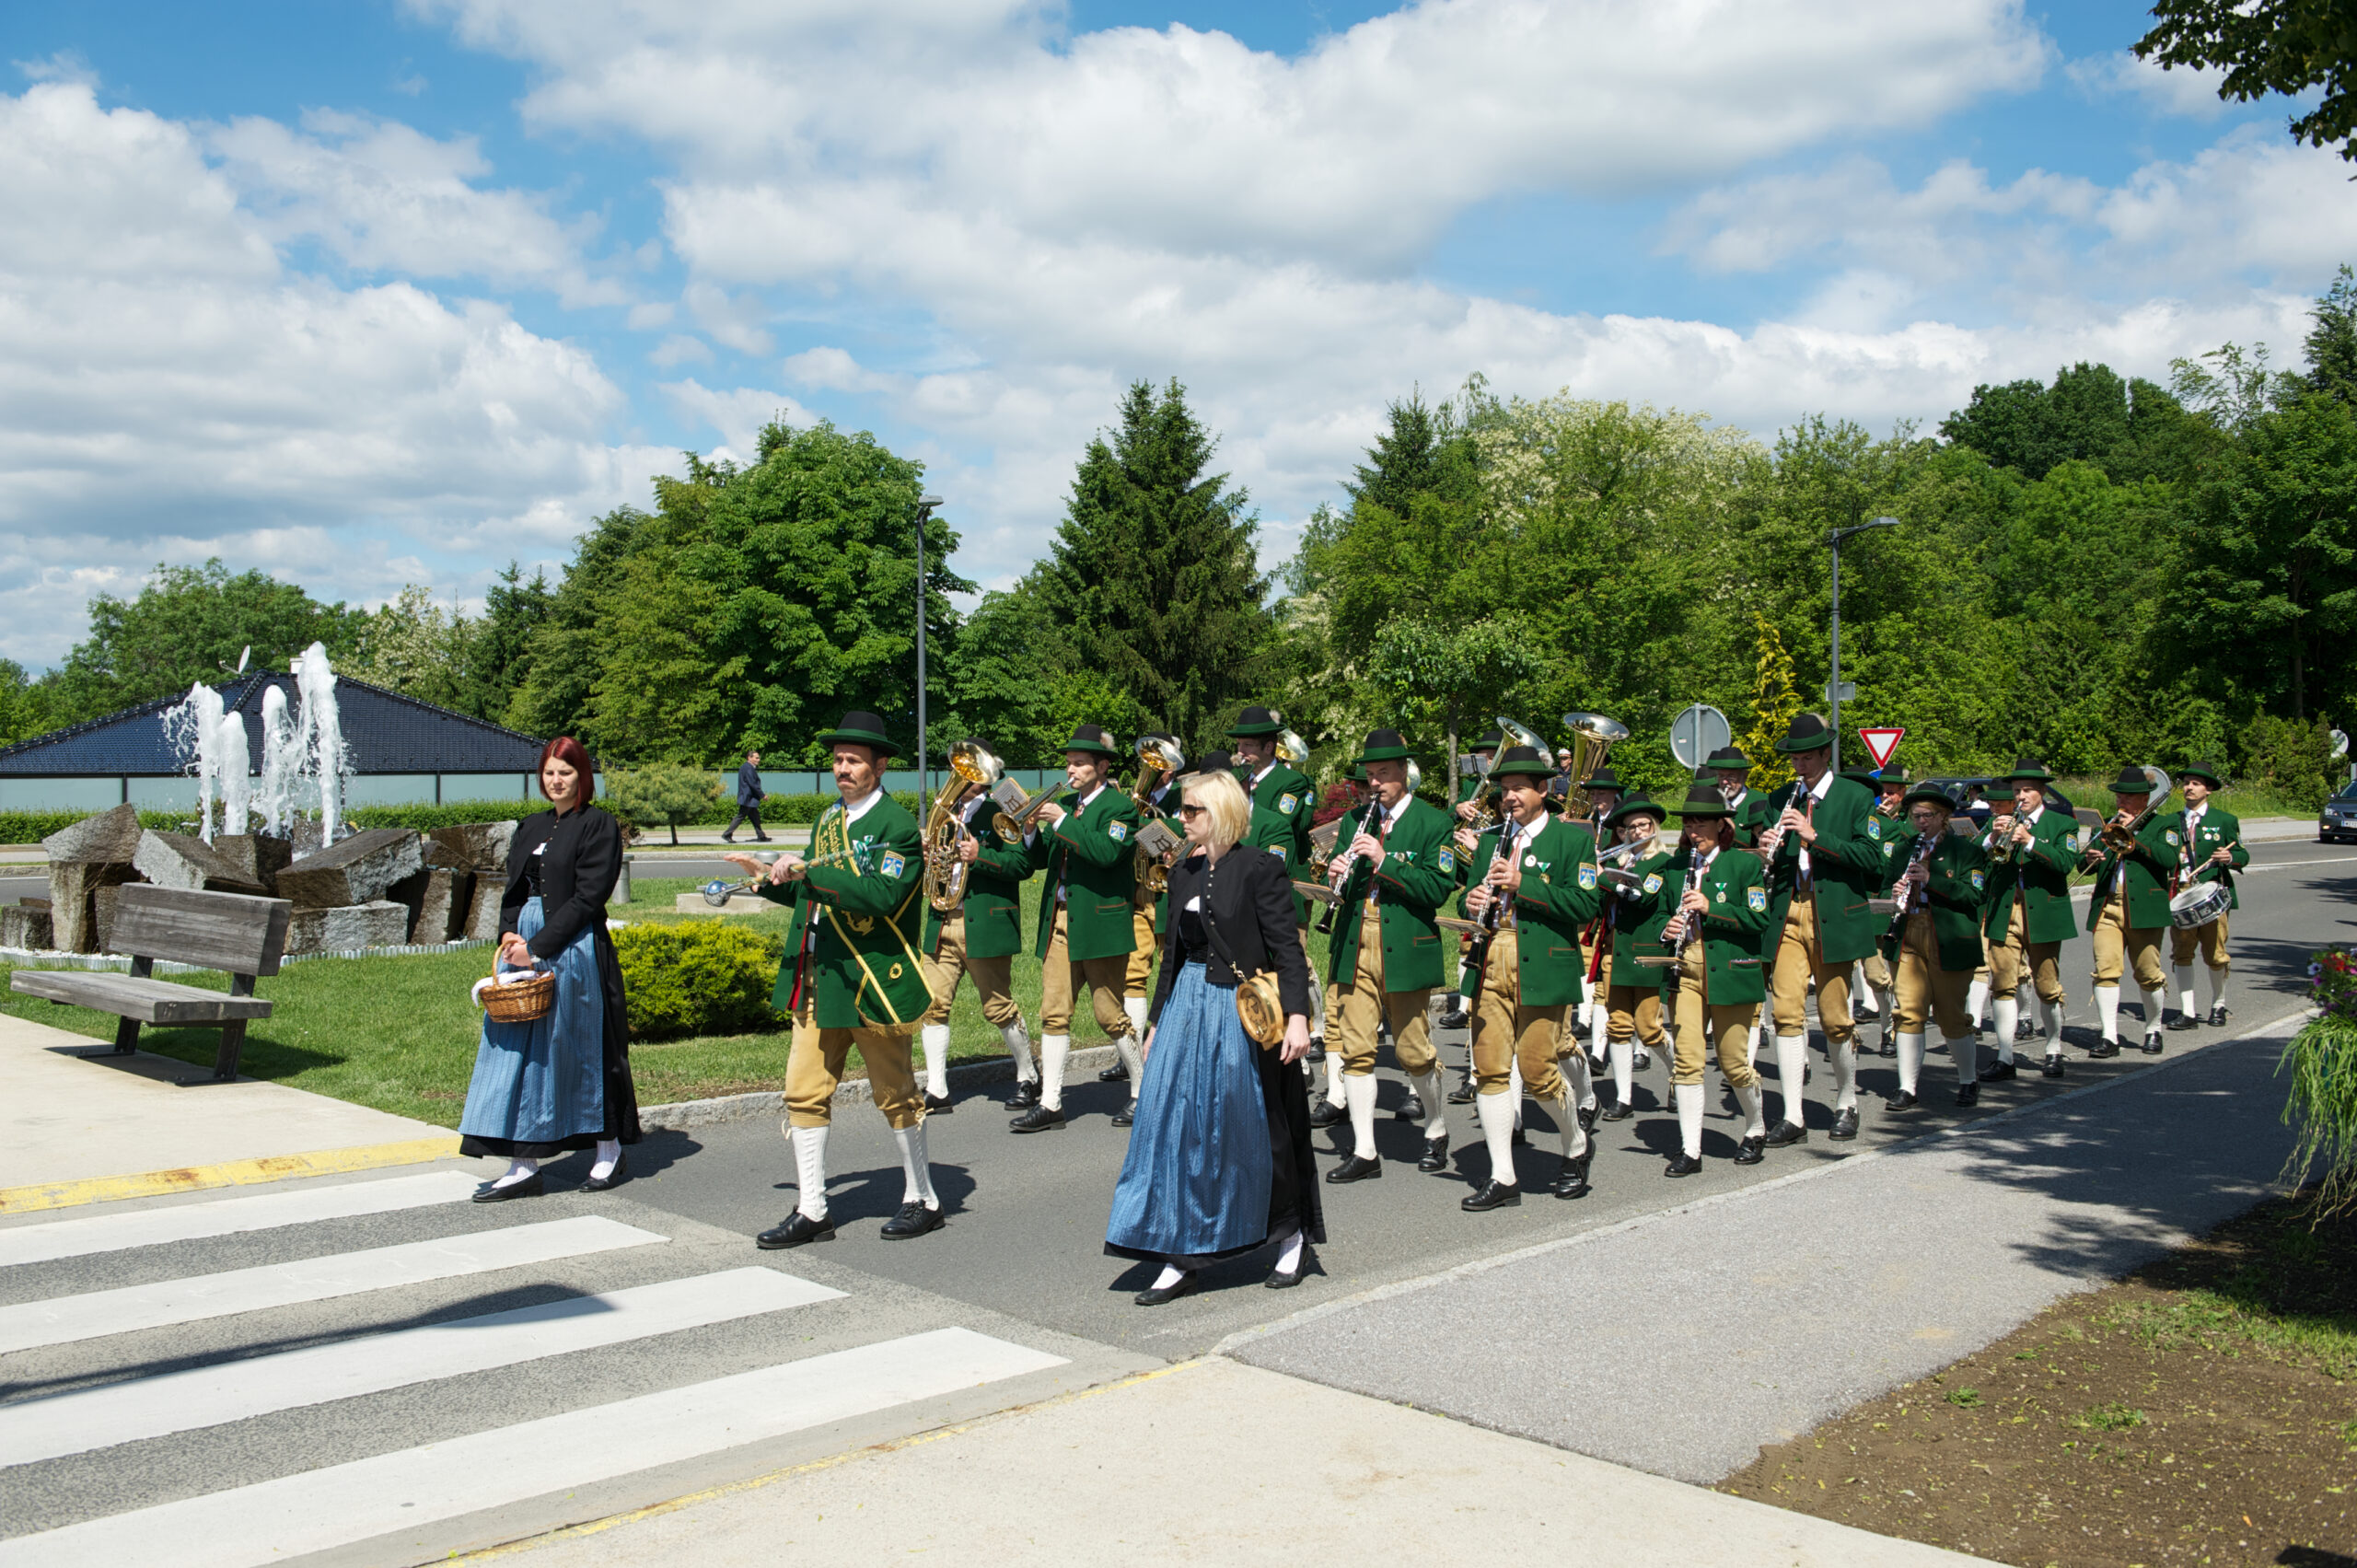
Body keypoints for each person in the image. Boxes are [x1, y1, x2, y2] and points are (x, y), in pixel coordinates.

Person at [1107, 767, 1320, 1303]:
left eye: (1191, 810)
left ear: (1221, 812)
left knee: (1253, 1127)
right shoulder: (1182, 870)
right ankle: (1180, 1255)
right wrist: (1156, 1023)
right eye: (1182, 809)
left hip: (1241, 1014)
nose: (1181, 818)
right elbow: (1171, 959)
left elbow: (1287, 950)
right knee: (1172, 1128)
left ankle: (1288, 1234)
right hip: (1185, 1011)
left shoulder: (1260, 868)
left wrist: (1298, 1018)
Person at [737, 713, 944, 1247]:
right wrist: (765, 881)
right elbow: (812, 889)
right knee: (804, 1092)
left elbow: (880, 898)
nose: (843, 768)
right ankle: (813, 1210)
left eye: (854, 760)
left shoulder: (897, 826)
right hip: (822, 974)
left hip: (872, 978)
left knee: (895, 1093)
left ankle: (923, 1197)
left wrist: (810, 872)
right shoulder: (827, 820)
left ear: (880, 765)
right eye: (837, 759)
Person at [461, 737, 643, 1200]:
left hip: (574, 948)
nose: (556, 781)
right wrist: (508, 933)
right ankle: (523, 1166)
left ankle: (608, 1150)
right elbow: (515, 888)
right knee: (518, 1054)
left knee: (582, 1048)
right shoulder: (533, 824)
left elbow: (588, 897)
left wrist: (538, 947)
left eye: (565, 772)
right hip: (523, 944)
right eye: (549, 773)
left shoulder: (599, 825)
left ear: (582, 776)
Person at [1456, 744, 1603, 1208]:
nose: (1510, 797)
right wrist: (1473, 901)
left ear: (1543, 790)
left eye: (1519, 788)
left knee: (1538, 1070)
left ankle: (1575, 1143)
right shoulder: (1492, 839)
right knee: (1490, 1071)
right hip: (1490, 956)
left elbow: (1585, 906)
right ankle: (1503, 1177)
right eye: (1504, 790)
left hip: (1541, 959)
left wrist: (1525, 885)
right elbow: (1465, 902)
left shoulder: (1572, 840)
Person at [1318, 729, 1457, 1181]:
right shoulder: (1353, 820)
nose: (1374, 783)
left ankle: (1436, 1128)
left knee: (1413, 1050)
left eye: (1383, 774)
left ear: (1404, 774)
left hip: (1405, 945)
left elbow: (1437, 889)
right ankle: (1365, 1151)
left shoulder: (1434, 822)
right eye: (1370, 775)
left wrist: (1384, 861)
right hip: (1356, 941)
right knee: (1356, 1050)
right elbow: (1343, 888)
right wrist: (1337, 872)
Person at [1756, 714, 1882, 1146]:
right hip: (1789, 909)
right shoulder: (1779, 798)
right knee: (1786, 1014)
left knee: (1833, 1017)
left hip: (1834, 914)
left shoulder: (1855, 796)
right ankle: (1793, 1115)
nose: (1800, 766)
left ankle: (1847, 1101)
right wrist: (1765, 851)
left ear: (1825, 754)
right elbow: (1771, 863)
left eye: (1807, 757)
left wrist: (1814, 835)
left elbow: (1873, 860)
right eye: (1795, 759)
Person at [1016, 724, 1144, 1132]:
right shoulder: (1067, 805)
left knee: (1109, 1013)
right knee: (1053, 1012)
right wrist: (1032, 829)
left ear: (1101, 767)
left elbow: (1107, 853)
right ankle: (1052, 1102)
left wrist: (1061, 822)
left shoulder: (1121, 809)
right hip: (1060, 920)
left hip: (1101, 924)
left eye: (1079, 764)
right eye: (1069, 763)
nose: (1070, 770)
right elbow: (1038, 863)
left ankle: (1143, 1091)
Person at [1655, 784, 1771, 1173]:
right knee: (1686, 1063)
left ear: (1721, 825)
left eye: (1701, 825)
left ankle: (1755, 1128)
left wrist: (1712, 907)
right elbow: (1657, 915)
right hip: (1686, 968)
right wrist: (1666, 929)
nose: (1693, 832)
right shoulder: (1674, 867)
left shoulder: (1744, 864)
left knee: (1734, 1062)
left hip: (1730, 968)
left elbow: (1758, 918)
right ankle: (1690, 1150)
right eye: (1688, 825)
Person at [915, 751, 1037, 1111]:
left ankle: (1029, 1076)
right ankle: (937, 1090)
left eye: (969, 772)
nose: (961, 777)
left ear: (985, 777)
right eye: (959, 770)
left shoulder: (1001, 810)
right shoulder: (947, 812)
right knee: (932, 1006)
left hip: (982, 922)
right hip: (942, 918)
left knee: (998, 1007)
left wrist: (979, 855)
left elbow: (1022, 865)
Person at [1975, 757, 2082, 1083]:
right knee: (2003, 985)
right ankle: (2005, 1057)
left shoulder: (2063, 824)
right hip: (2005, 910)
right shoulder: (1998, 821)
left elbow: (2067, 862)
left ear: (2041, 793)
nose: (2020, 796)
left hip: (2042, 912)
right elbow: (1975, 861)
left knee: (2047, 986)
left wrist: (2030, 841)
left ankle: (2053, 1050)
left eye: (2027, 791)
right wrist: (1991, 839)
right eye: (2017, 790)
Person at [1883, 784, 1988, 1108]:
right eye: (1916, 816)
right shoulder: (1902, 850)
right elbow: (1885, 886)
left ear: (1944, 817)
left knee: (1951, 1014)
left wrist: (1931, 879)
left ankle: (1968, 1080)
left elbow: (1975, 895)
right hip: (1909, 930)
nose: (1921, 822)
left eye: (1928, 816)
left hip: (1948, 935)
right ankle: (1907, 1087)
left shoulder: (1967, 851)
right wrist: (1894, 892)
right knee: (1908, 1013)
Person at [1108, 746, 1202, 1091]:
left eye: (1161, 765)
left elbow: (1184, 831)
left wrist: (1145, 822)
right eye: (1149, 764)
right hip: (1139, 891)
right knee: (1134, 973)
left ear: (1173, 770)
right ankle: (1131, 1054)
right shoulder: (1135, 798)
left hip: (1170, 895)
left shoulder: (1182, 796)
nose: (1153, 769)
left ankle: (1173, 1048)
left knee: (1173, 969)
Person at [2084, 765, 2174, 1057]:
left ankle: (2153, 1029)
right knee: (2105, 970)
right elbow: (2080, 864)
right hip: (2107, 905)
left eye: (2128, 797)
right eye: (2119, 797)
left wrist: (2133, 839)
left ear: (2144, 800)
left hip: (2143, 907)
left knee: (2148, 973)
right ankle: (2109, 1037)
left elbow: (2169, 858)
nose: (2121, 802)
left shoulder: (2164, 825)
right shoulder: (2105, 826)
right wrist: (2090, 856)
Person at [1595, 794, 1675, 1121]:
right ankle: (1623, 1097)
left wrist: (1602, 876)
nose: (1638, 831)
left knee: (1650, 1027)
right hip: (1615, 950)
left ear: (1653, 828)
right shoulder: (1619, 861)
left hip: (1646, 952)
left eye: (1644, 825)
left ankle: (1678, 1073)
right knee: (1618, 1026)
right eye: (1631, 827)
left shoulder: (1661, 863)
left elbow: (1643, 897)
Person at [2161, 761, 2247, 1029]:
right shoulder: (2171, 821)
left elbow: (2242, 854)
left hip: (2212, 893)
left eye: (2195, 783)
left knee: (2216, 954)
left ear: (2208, 789)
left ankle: (2218, 1005)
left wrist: (2230, 856)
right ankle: (2187, 1012)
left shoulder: (2224, 820)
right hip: (2181, 893)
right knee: (2182, 953)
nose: (2189, 787)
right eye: (2186, 782)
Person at [1439, 726, 1504, 1034]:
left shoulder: (1506, 786)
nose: (1486, 760)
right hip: (1471, 871)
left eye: (1491, 756)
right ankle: (1465, 1006)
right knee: (1468, 943)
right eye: (1484, 756)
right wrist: (1458, 808)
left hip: (1495, 859)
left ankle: (1469, 1006)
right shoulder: (1471, 784)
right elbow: (1456, 816)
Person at [1852, 767, 1910, 1057]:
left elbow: (1886, 866)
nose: (1886, 797)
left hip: (1887, 907)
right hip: (1856, 906)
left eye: (1892, 792)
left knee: (1891, 977)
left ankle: (1892, 1029)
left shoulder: (1905, 826)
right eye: (1883, 792)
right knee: (1872, 976)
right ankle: (1851, 1032)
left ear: (1902, 794)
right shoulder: (1864, 821)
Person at [722, 749, 769, 843]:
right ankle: (727, 834)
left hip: (749, 798)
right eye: (756, 758)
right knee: (740, 816)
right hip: (748, 798)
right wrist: (762, 795)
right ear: (749, 758)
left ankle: (761, 836)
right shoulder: (748, 768)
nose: (758, 760)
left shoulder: (747, 767)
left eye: (758, 758)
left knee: (755, 817)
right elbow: (752, 783)